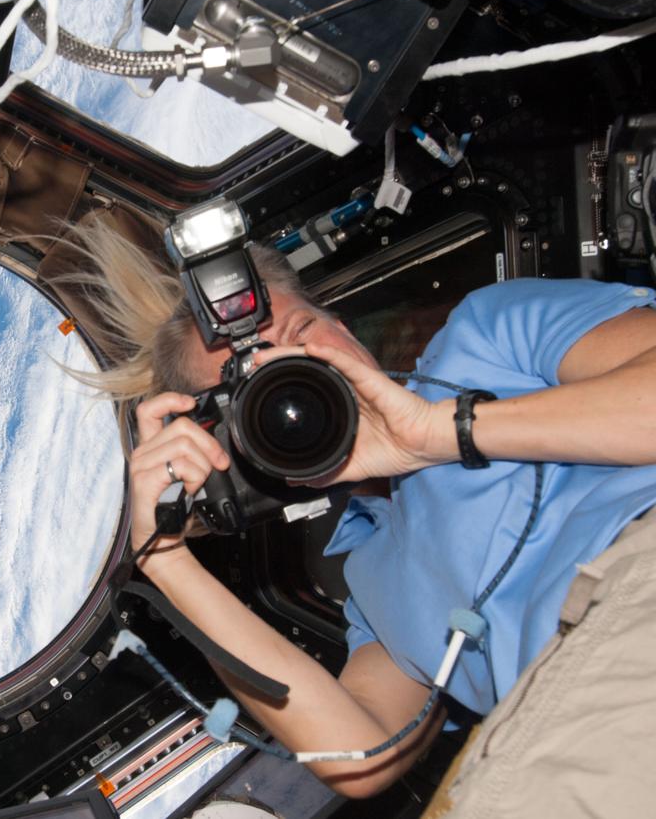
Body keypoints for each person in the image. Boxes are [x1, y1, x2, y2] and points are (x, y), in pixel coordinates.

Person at [50, 218, 656, 802]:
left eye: (300, 333)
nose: (294, 369)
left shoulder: (487, 331)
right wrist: (165, 560)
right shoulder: (369, 579)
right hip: (554, 734)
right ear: (226, 444)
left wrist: (440, 433)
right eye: (251, 385)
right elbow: (358, 757)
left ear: (340, 326)